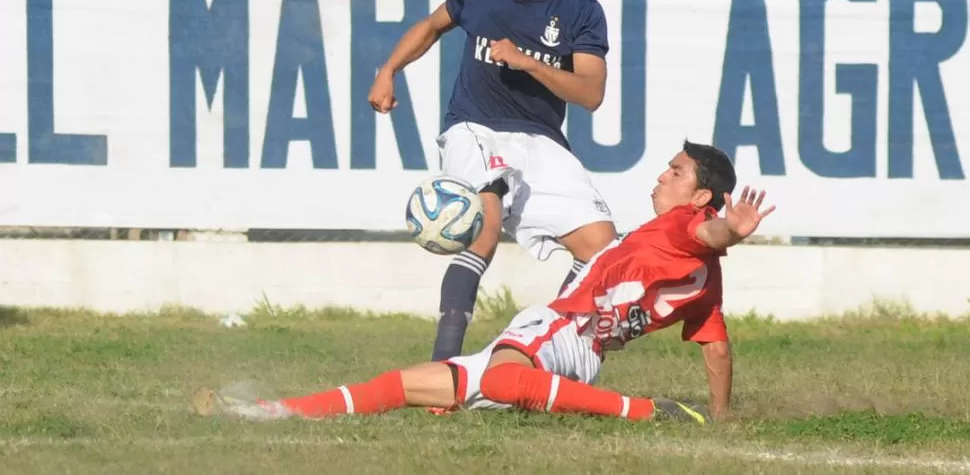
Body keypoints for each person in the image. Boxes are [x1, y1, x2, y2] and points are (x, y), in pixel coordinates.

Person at [193, 142, 775, 424]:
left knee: (500, 384)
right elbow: (716, 348)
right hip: (575, 348)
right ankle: (267, 412)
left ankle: (647, 412)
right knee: (407, 384)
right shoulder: (705, 280)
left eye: (674, 172)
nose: (660, 175)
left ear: (698, 197)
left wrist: (733, 228)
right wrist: (719, 417)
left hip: (563, 330)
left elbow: (711, 234)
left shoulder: (682, 225)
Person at [367, 0, 620, 363]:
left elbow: (590, 93)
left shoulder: (580, 8)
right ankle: (443, 367)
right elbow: (430, 27)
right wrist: (388, 71)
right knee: (481, 220)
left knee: (602, 248)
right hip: (475, 125)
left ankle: (542, 351)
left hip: (541, 138)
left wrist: (528, 62)